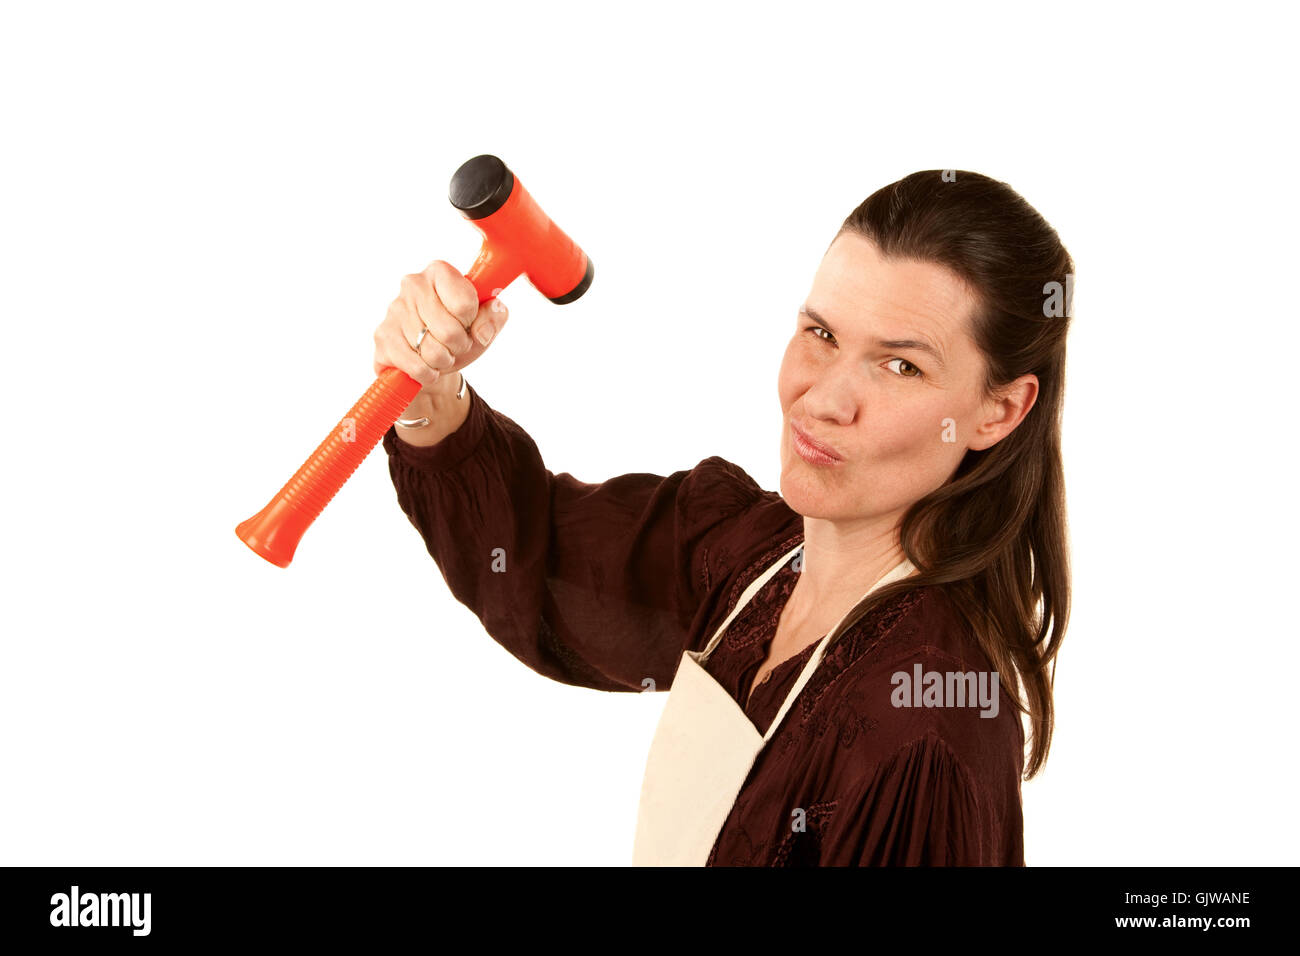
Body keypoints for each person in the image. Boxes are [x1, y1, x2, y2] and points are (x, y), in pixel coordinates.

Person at [372, 170, 1073, 866]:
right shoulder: (748, 556)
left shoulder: (927, 724)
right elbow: (534, 557)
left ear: (999, 410)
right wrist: (426, 392)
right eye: (822, 333)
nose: (823, 399)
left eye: (900, 367)